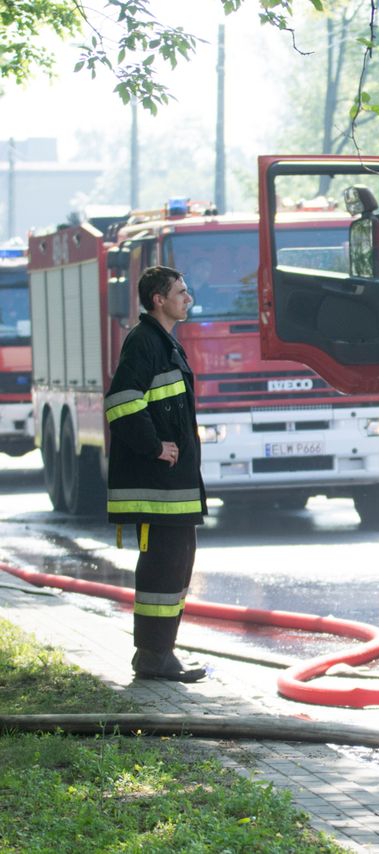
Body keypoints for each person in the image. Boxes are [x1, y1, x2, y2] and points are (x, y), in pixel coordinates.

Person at [104, 265, 208, 682]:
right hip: (157, 486)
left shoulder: (163, 342)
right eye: (181, 292)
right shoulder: (145, 342)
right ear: (158, 300)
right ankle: (153, 656)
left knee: (178, 563)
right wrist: (154, 446)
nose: (189, 298)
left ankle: (158, 653)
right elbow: (122, 403)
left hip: (172, 485)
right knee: (165, 567)